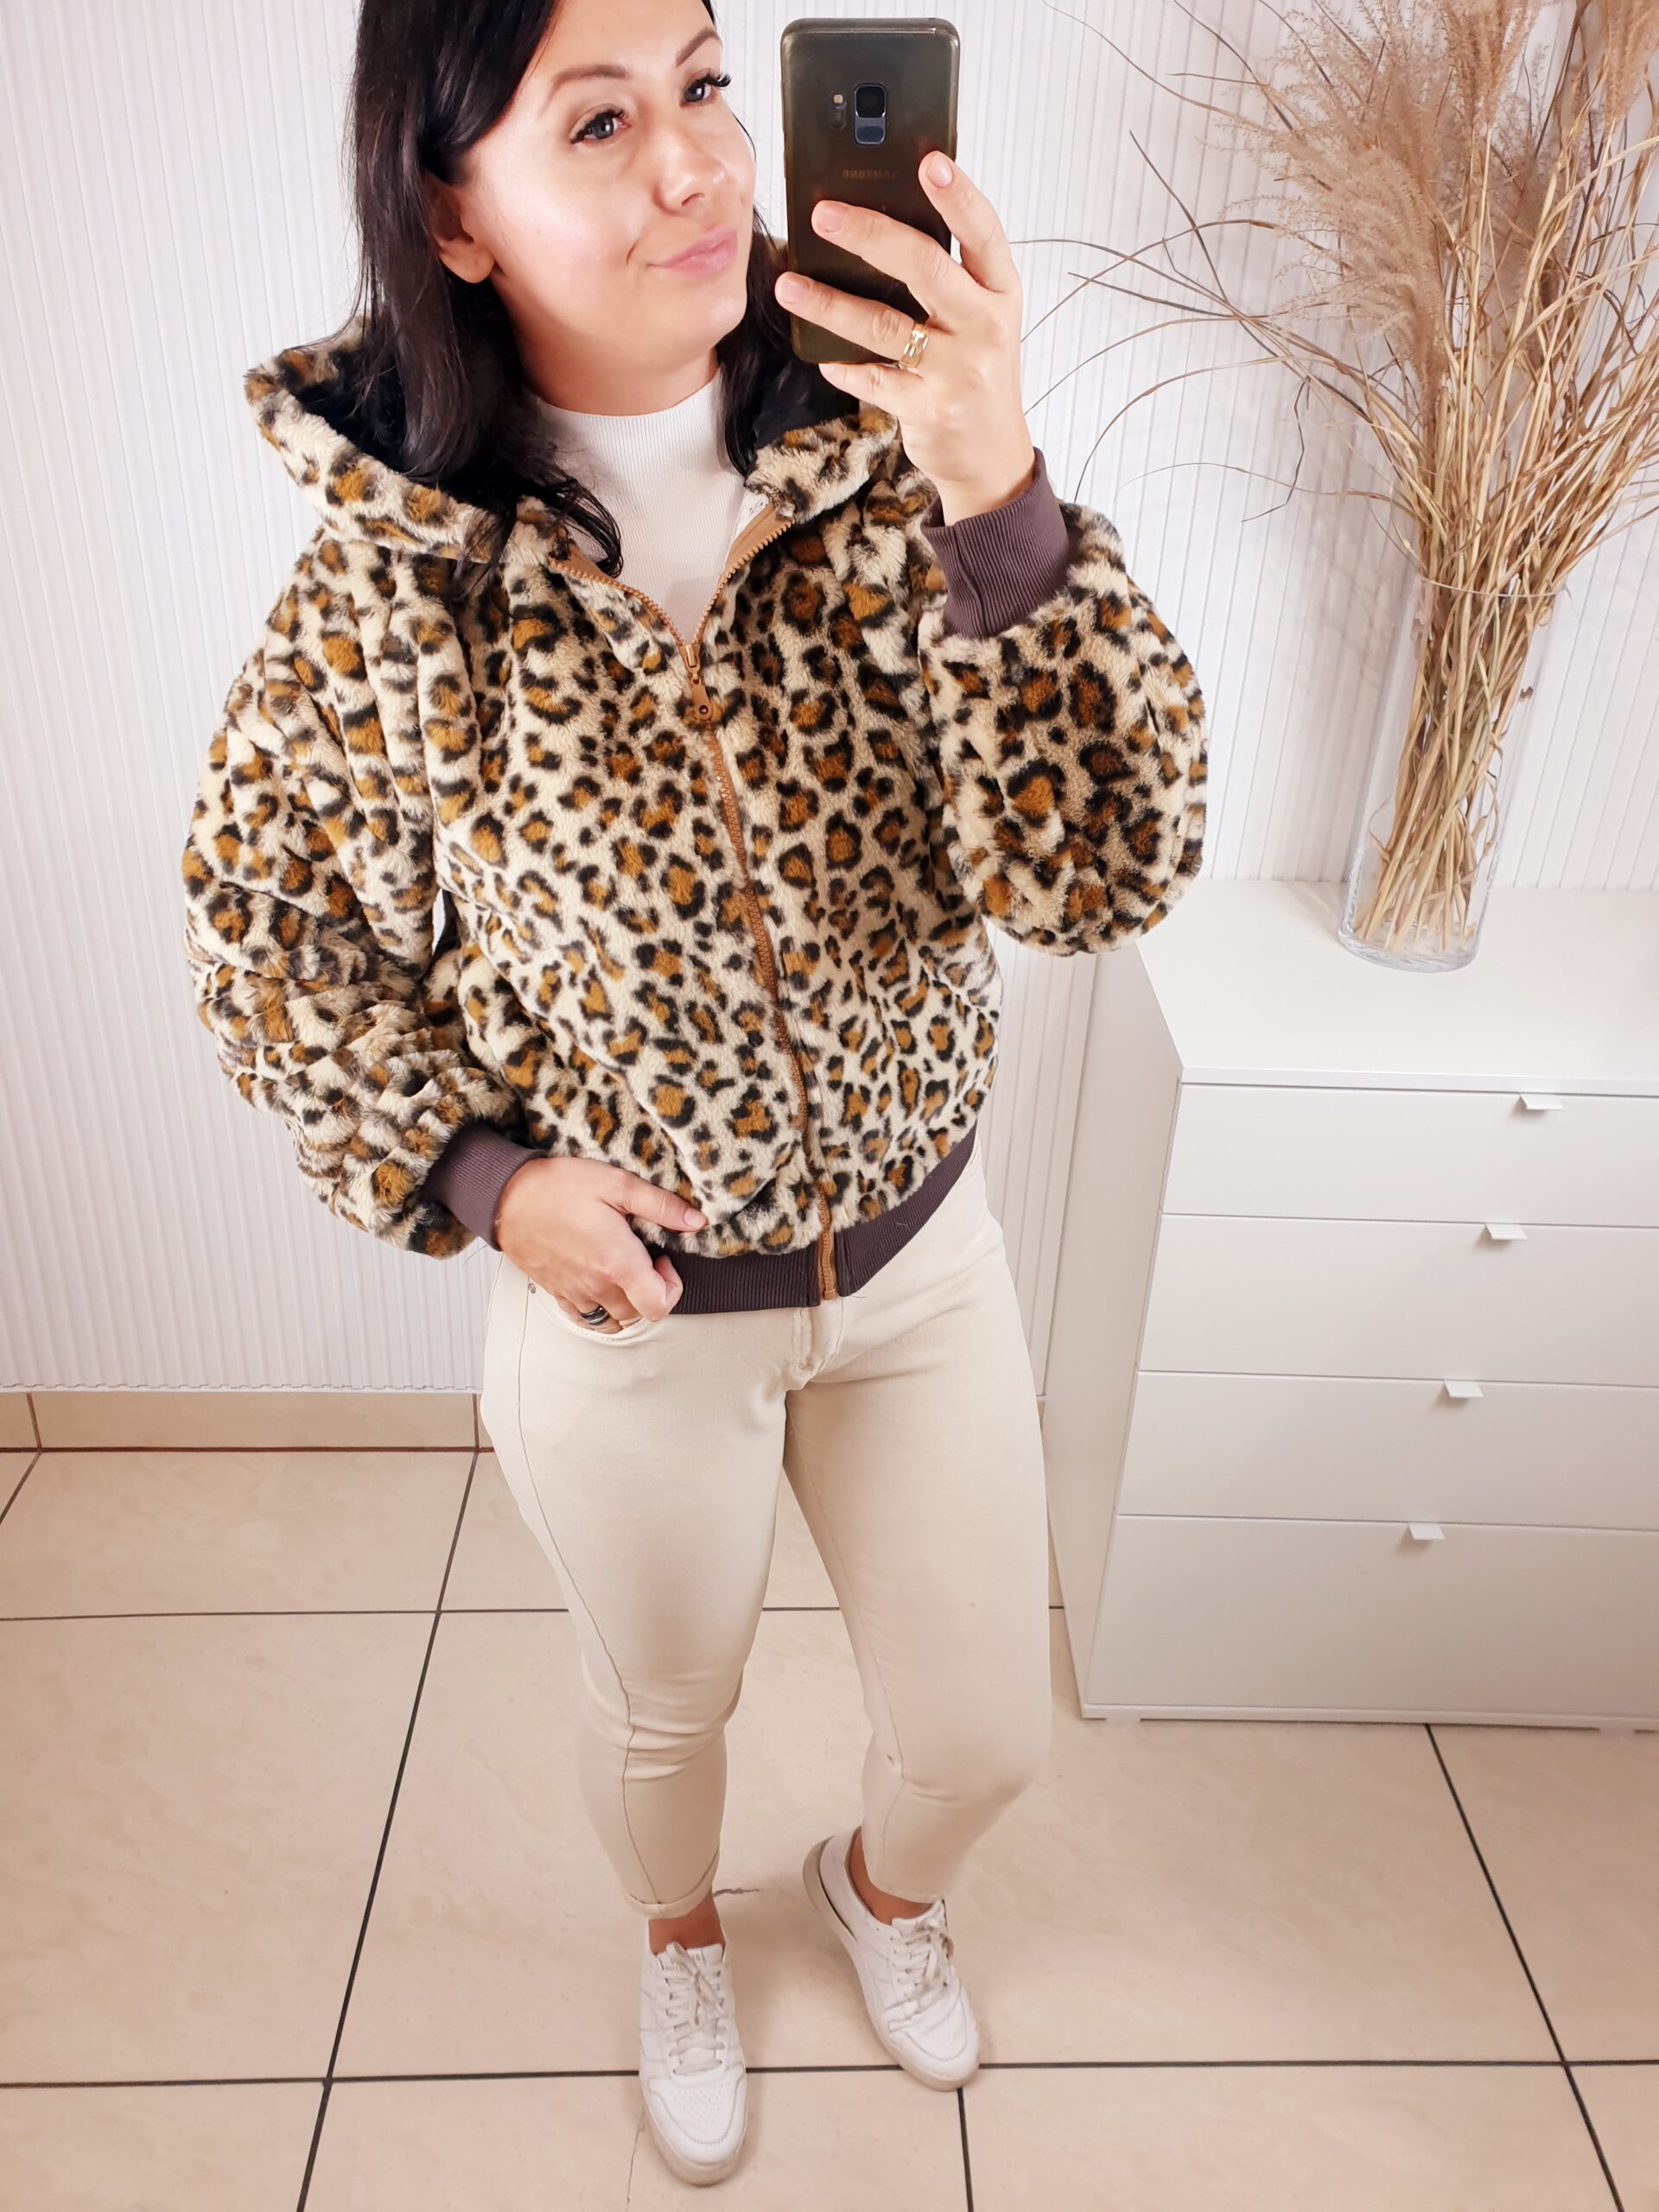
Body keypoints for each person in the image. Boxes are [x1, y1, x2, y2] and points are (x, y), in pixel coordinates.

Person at [179, 0, 1206, 2186]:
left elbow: (1103, 876)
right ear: (455, 214)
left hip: (917, 1263)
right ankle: (677, 1938)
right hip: (634, 1315)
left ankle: (881, 1892)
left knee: (984, 1734)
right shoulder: (395, 581)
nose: (701, 165)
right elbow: (264, 931)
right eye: (601, 120)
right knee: (668, 1719)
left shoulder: (897, 465)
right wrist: (484, 1176)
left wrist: (998, 480)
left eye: (710, 86)